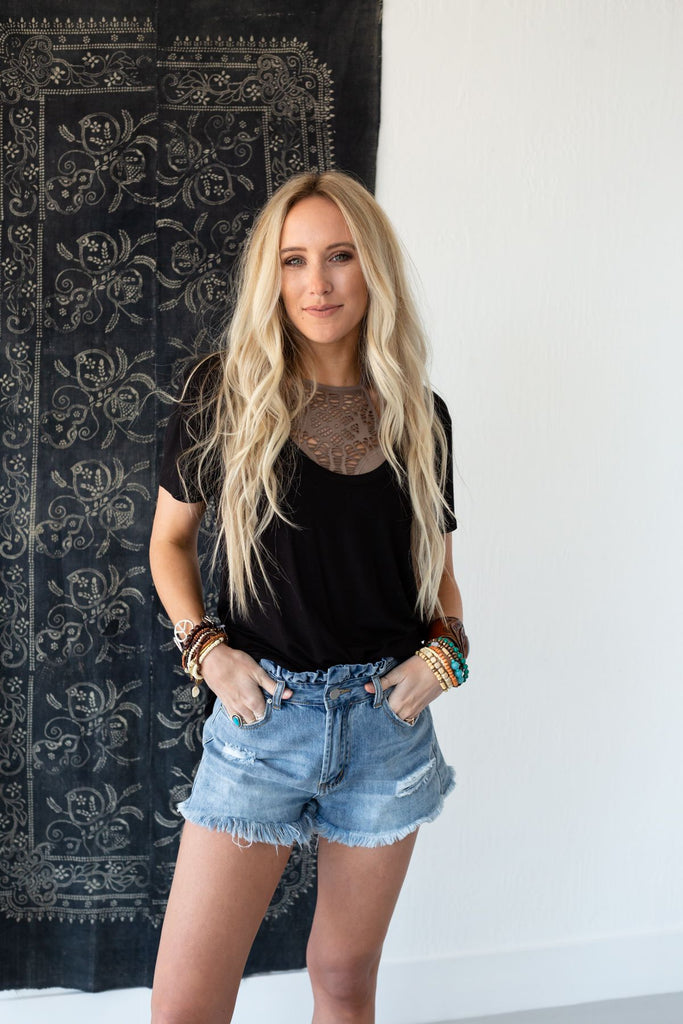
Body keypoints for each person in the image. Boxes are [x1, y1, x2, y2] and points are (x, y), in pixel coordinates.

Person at [149, 170, 469, 1024]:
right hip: (262, 727)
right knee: (185, 1008)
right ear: (272, 275)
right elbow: (167, 544)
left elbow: (436, 570)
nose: (317, 283)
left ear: (374, 269)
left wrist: (449, 653)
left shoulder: (420, 415)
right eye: (293, 260)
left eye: (339, 256)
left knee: (343, 980)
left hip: (387, 734)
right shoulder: (223, 394)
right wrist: (206, 652)